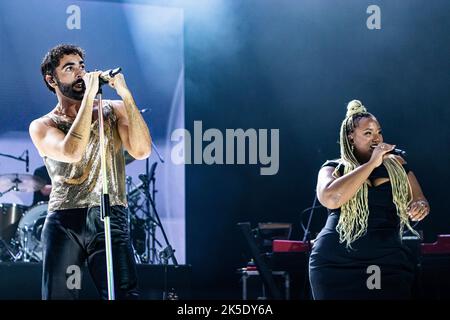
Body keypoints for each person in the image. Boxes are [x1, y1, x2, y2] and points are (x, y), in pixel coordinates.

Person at [29, 44, 151, 299]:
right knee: (60, 296)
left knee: (123, 295)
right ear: (52, 80)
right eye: (69, 68)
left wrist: (126, 96)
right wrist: (89, 99)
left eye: (81, 66)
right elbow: (72, 151)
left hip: (110, 215)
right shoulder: (42, 125)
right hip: (65, 220)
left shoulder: (112, 110)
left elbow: (141, 151)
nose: (80, 73)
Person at [309, 100, 430, 300]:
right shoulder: (333, 168)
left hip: (388, 258)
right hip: (337, 261)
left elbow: (420, 199)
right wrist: (373, 163)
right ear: (351, 137)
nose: (376, 138)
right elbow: (331, 199)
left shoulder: (397, 164)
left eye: (378, 132)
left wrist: (419, 207)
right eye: (368, 133)